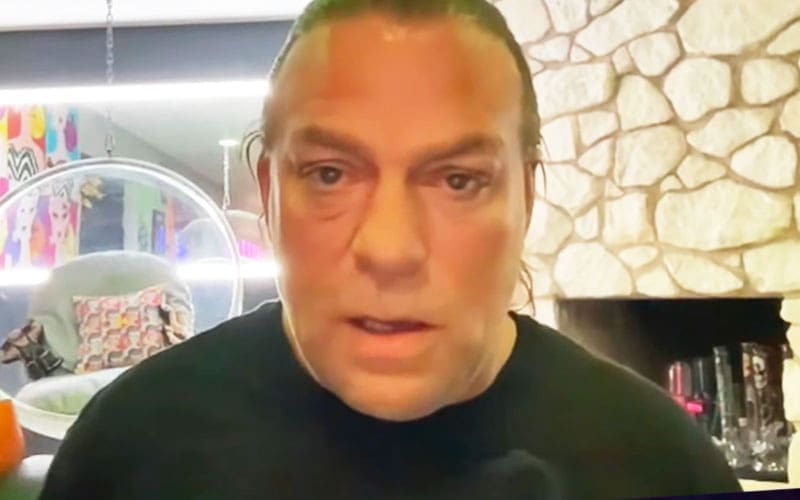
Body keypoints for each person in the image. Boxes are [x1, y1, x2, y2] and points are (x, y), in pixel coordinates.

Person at [40, 1, 742, 498]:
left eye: (458, 180)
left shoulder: (662, 465)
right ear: (269, 196)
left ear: (526, 198)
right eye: (329, 175)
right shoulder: (129, 449)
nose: (390, 248)